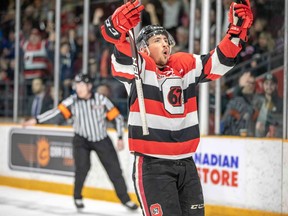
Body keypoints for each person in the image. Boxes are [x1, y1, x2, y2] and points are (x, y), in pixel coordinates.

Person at [100, 0, 253, 215]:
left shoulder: (183, 64)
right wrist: (117, 31)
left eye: (166, 40)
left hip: (186, 164)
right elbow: (121, 61)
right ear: (143, 47)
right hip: (153, 167)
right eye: (157, 40)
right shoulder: (140, 66)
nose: (164, 44)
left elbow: (218, 62)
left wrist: (236, 32)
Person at [22, 73, 138, 211]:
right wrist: (36, 120)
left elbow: (117, 118)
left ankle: (126, 200)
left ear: (89, 86)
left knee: (114, 170)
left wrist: (119, 137)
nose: (79, 88)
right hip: (81, 139)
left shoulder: (101, 100)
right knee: (82, 168)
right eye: (77, 85)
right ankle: (77, 196)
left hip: (101, 139)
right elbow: (56, 113)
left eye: (82, 85)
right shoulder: (72, 101)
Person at [255, 73, 283, 138]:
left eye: (272, 84)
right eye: (266, 84)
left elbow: (283, 121)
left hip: (277, 134)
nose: (269, 87)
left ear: (276, 85)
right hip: (259, 135)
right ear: (263, 85)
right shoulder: (257, 101)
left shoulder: (281, 102)